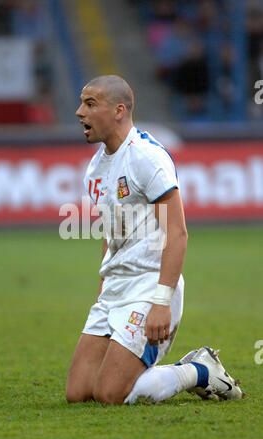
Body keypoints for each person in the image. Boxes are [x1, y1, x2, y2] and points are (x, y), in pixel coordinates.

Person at [65, 75, 244, 405]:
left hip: (150, 286)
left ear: (119, 110)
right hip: (116, 288)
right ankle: (185, 368)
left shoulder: (146, 157)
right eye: (81, 103)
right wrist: (104, 283)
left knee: (110, 394)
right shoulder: (96, 167)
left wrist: (162, 300)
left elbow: (177, 233)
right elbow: (112, 230)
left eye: (90, 104)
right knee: (78, 393)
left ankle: (198, 370)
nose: (79, 112)